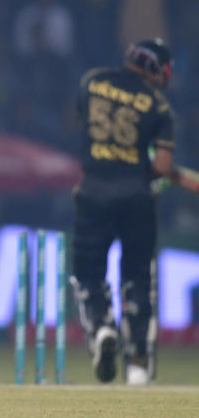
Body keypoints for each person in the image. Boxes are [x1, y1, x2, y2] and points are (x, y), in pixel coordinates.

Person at [71, 38, 177, 386]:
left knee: (89, 275)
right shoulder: (159, 107)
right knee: (137, 279)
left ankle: (102, 328)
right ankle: (137, 364)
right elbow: (162, 166)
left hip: (92, 191)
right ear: (155, 69)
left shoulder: (92, 81)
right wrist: (153, 169)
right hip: (135, 197)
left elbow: (81, 125)